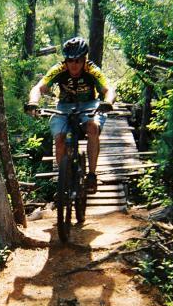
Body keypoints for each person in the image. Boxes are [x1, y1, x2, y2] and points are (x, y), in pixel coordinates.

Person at [24, 36, 116, 194]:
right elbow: (39, 87)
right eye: (70, 60)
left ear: (84, 59)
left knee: (93, 128)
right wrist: (33, 102)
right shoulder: (59, 69)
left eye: (78, 60)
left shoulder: (91, 69)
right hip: (64, 107)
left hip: (89, 104)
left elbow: (108, 89)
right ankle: (63, 177)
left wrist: (107, 102)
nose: (74, 65)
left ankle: (92, 175)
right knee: (59, 138)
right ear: (65, 60)